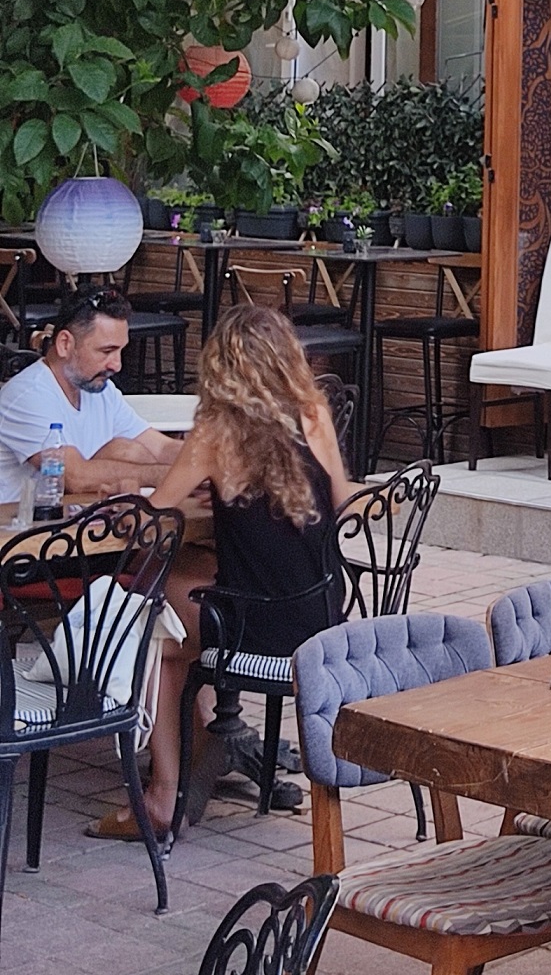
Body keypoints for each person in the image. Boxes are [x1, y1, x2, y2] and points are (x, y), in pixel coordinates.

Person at [91, 302, 359, 842]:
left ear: (222, 365)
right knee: (180, 583)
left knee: (154, 635)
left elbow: (154, 521)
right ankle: (210, 738)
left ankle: (163, 795)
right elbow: (344, 501)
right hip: (322, 614)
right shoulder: (313, 413)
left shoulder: (216, 432)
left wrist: (123, 503)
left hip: (256, 628)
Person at [0, 287, 183, 509]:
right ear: (65, 344)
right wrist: (165, 476)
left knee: (127, 450)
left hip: (78, 520)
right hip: (21, 527)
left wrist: (208, 467)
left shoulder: (101, 389)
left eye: (120, 351)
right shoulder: (27, 396)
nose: (117, 365)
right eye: (106, 351)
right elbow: (76, 477)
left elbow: (160, 448)